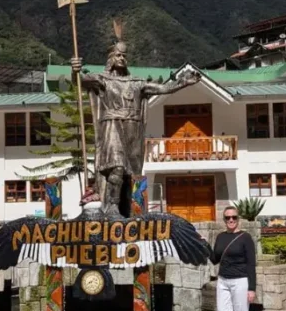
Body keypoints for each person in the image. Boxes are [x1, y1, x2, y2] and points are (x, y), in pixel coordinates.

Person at [70, 20, 200, 218]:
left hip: (132, 129)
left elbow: (164, 88)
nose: (122, 58)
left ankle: (127, 209)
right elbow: (79, 82)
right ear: (110, 58)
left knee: (129, 172)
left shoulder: (137, 82)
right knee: (116, 167)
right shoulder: (103, 80)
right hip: (112, 127)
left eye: (124, 56)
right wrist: (75, 70)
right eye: (118, 55)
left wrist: (183, 82)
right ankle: (112, 207)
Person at [210, 206, 257, 311]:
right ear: (224, 220)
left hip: (240, 281)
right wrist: (203, 245)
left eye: (234, 217)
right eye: (227, 218)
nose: (231, 220)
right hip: (223, 280)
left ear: (238, 219)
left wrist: (252, 288)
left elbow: (251, 264)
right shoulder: (221, 237)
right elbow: (214, 259)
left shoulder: (245, 238)